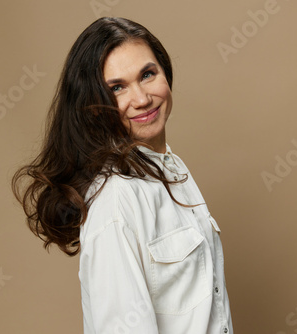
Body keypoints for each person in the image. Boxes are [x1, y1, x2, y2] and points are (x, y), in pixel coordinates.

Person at [12, 17, 233, 334]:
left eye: (147, 74)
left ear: (165, 72)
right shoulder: (117, 200)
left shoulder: (171, 166)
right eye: (117, 88)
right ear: (95, 105)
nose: (142, 99)